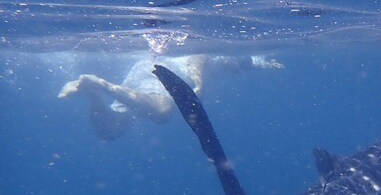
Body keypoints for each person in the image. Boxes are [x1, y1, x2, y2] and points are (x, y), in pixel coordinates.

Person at [58, 54, 282, 140]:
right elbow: (198, 55)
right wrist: (199, 84)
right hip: (161, 70)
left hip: (144, 71)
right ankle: (101, 85)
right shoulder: (220, 55)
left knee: (109, 131)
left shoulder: (228, 63)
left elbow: (249, 64)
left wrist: (265, 64)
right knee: (163, 113)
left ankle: (93, 94)